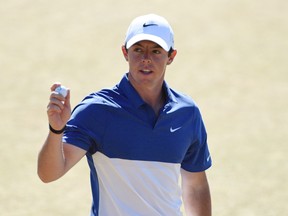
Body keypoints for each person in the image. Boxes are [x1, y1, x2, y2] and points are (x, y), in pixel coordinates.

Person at [38, 14, 212, 216]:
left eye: (156, 51)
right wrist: (56, 130)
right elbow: (48, 174)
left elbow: (196, 186)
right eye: (138, 50)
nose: (146, 58)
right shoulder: (96, 111)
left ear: (171, 57)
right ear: (125, 52)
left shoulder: (187, 113)